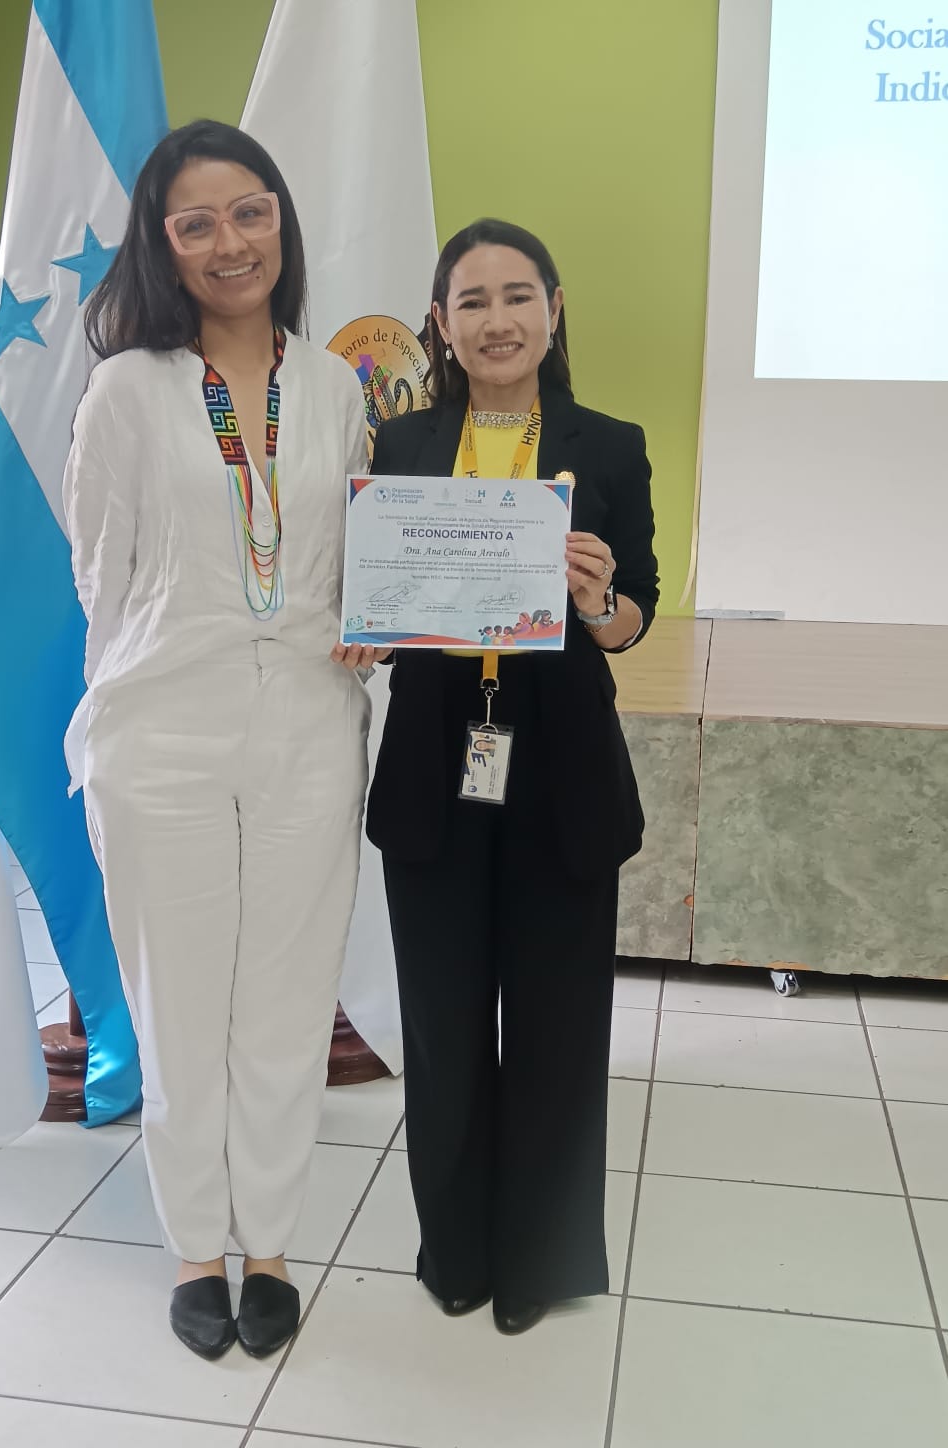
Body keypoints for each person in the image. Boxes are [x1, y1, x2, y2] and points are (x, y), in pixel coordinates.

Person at [63, 120, 375, 1362]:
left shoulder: (336, 384)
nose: (229, 242)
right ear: (164, 243)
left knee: (288, 999)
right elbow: (103, 575)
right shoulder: (128, 388)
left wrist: (368, 627)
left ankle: (272, 1238)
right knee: (181, 1002)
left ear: (281, 220)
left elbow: (354, 556)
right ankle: (200, 1243)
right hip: (162, 730)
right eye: (195, 223)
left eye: (250, 212)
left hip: (310, 722)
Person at [365, 219, 659, 1335]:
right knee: (442, 1027)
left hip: (561, 759)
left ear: (554, 308)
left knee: (556, 1027)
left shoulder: (609, 444)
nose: (497, 320)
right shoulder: (400, 444)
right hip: (436, 752)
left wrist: (599, 601)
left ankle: (539, 1258)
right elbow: (381, 601)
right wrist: (367, 626)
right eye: (472, 300)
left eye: (518, 295)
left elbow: (636, 614)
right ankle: (456, 1249)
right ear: (440, 323)